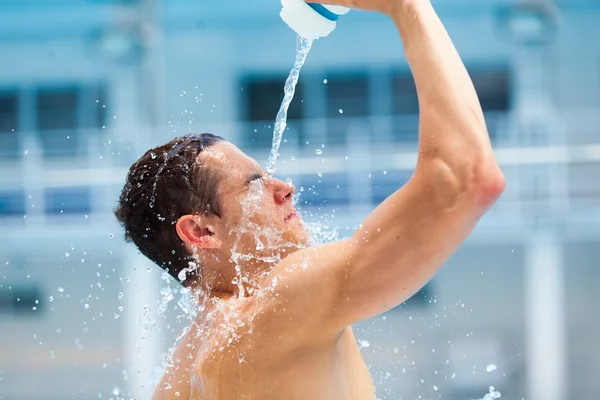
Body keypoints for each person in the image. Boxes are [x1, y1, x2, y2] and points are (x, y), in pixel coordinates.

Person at [114, 0, 506, 398]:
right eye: (254, 184)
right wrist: (406, 7)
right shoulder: (278, 305)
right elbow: (466, 180)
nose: (285, 188)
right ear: (201, 231)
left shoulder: (178, 377)